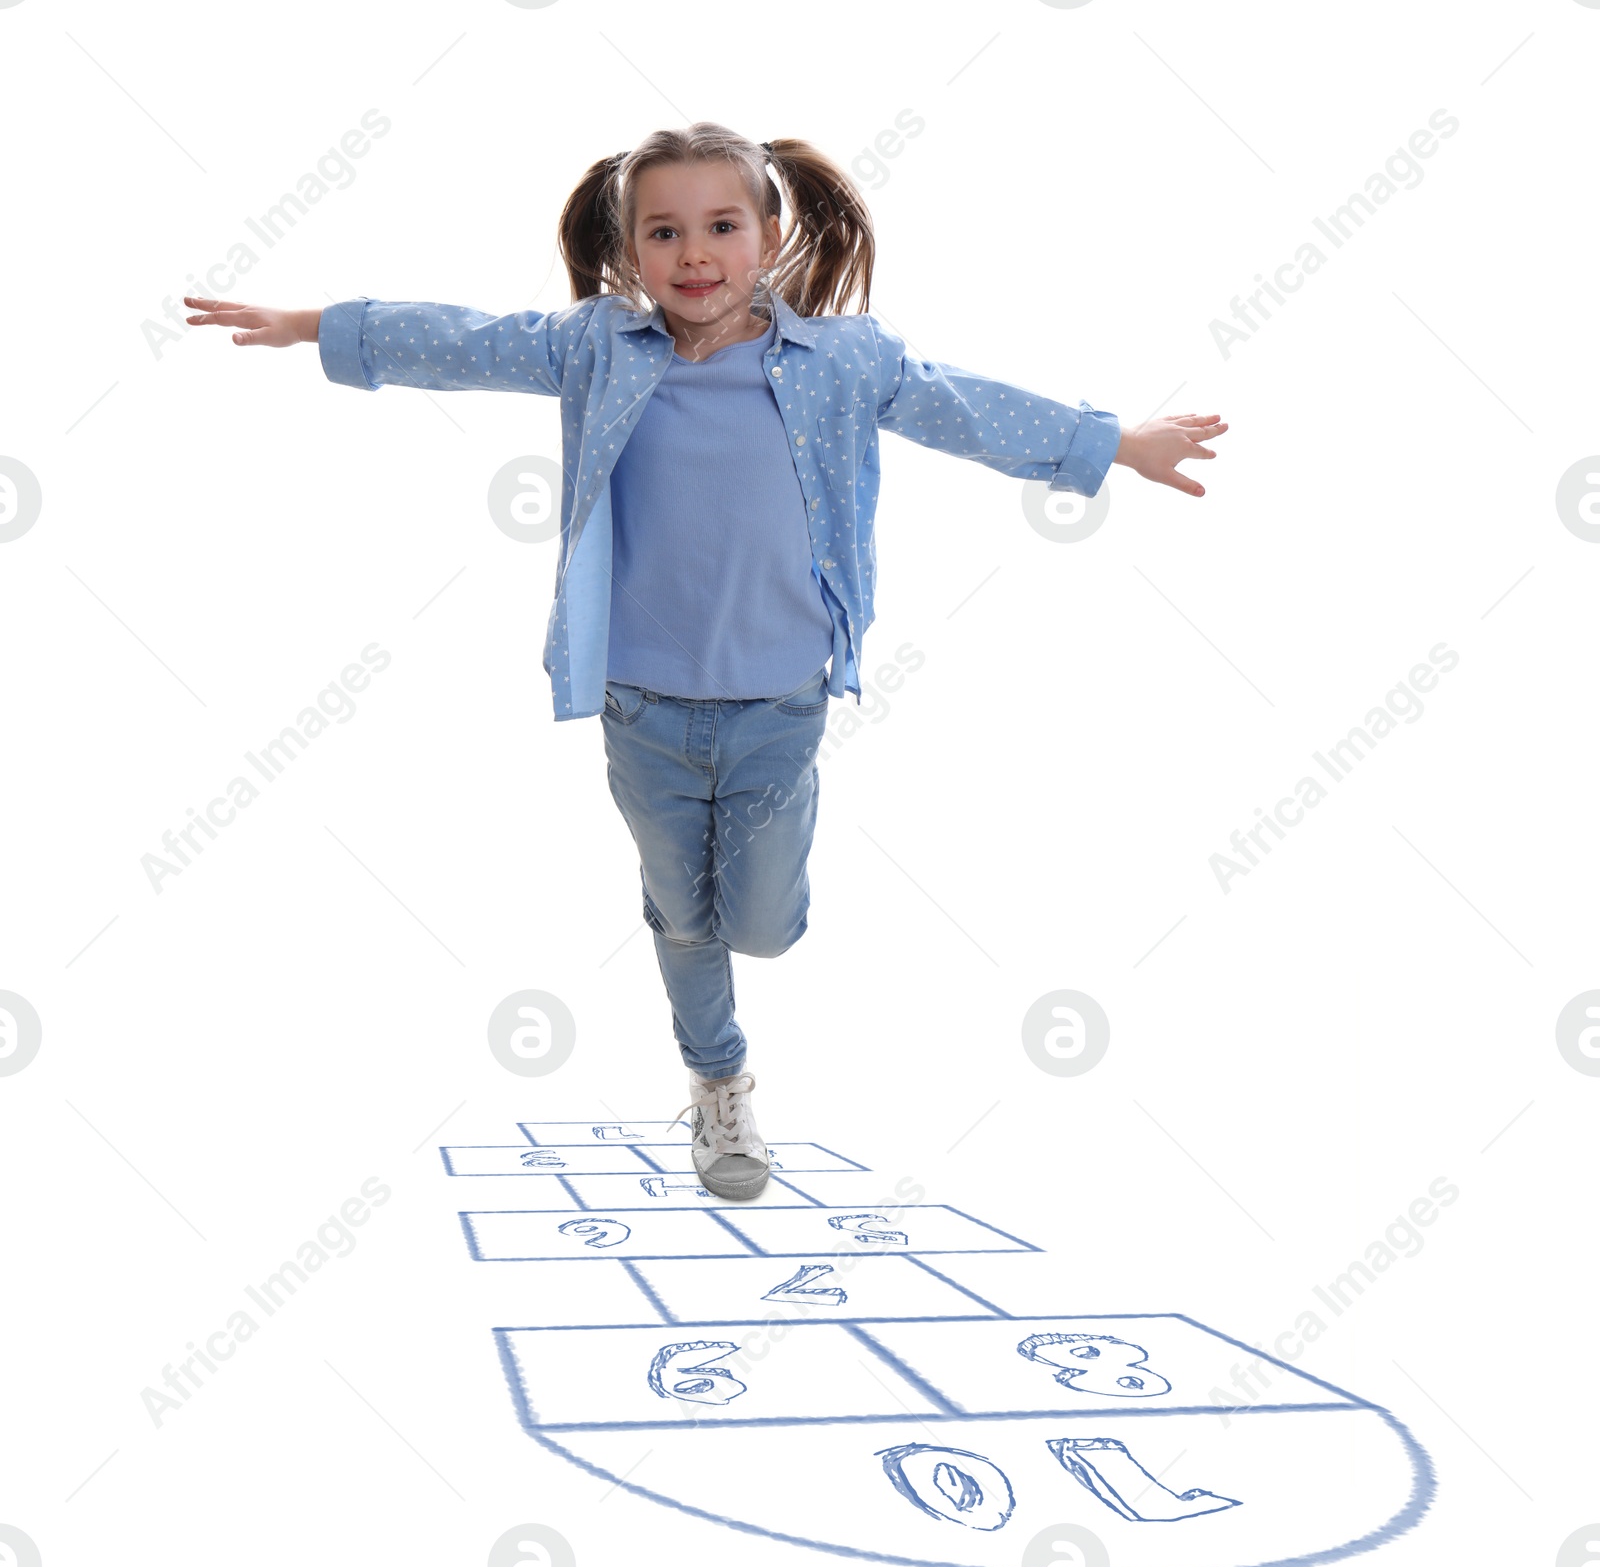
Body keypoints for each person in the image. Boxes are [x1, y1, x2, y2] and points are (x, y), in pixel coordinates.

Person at [185, 121, 1227, 1204]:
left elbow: (969, 411)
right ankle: (719, 1083)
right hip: (638, 702)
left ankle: (735, 901)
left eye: (721, 226)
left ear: (769, 233)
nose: (694, 254)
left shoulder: (844, 362)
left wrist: (1117, 445)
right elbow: (457, 339)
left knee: (762, 925)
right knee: (682, 916)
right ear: (629, 248)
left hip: (779, 702)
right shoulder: (596, 347)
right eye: (665, 232)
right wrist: (313, 325)